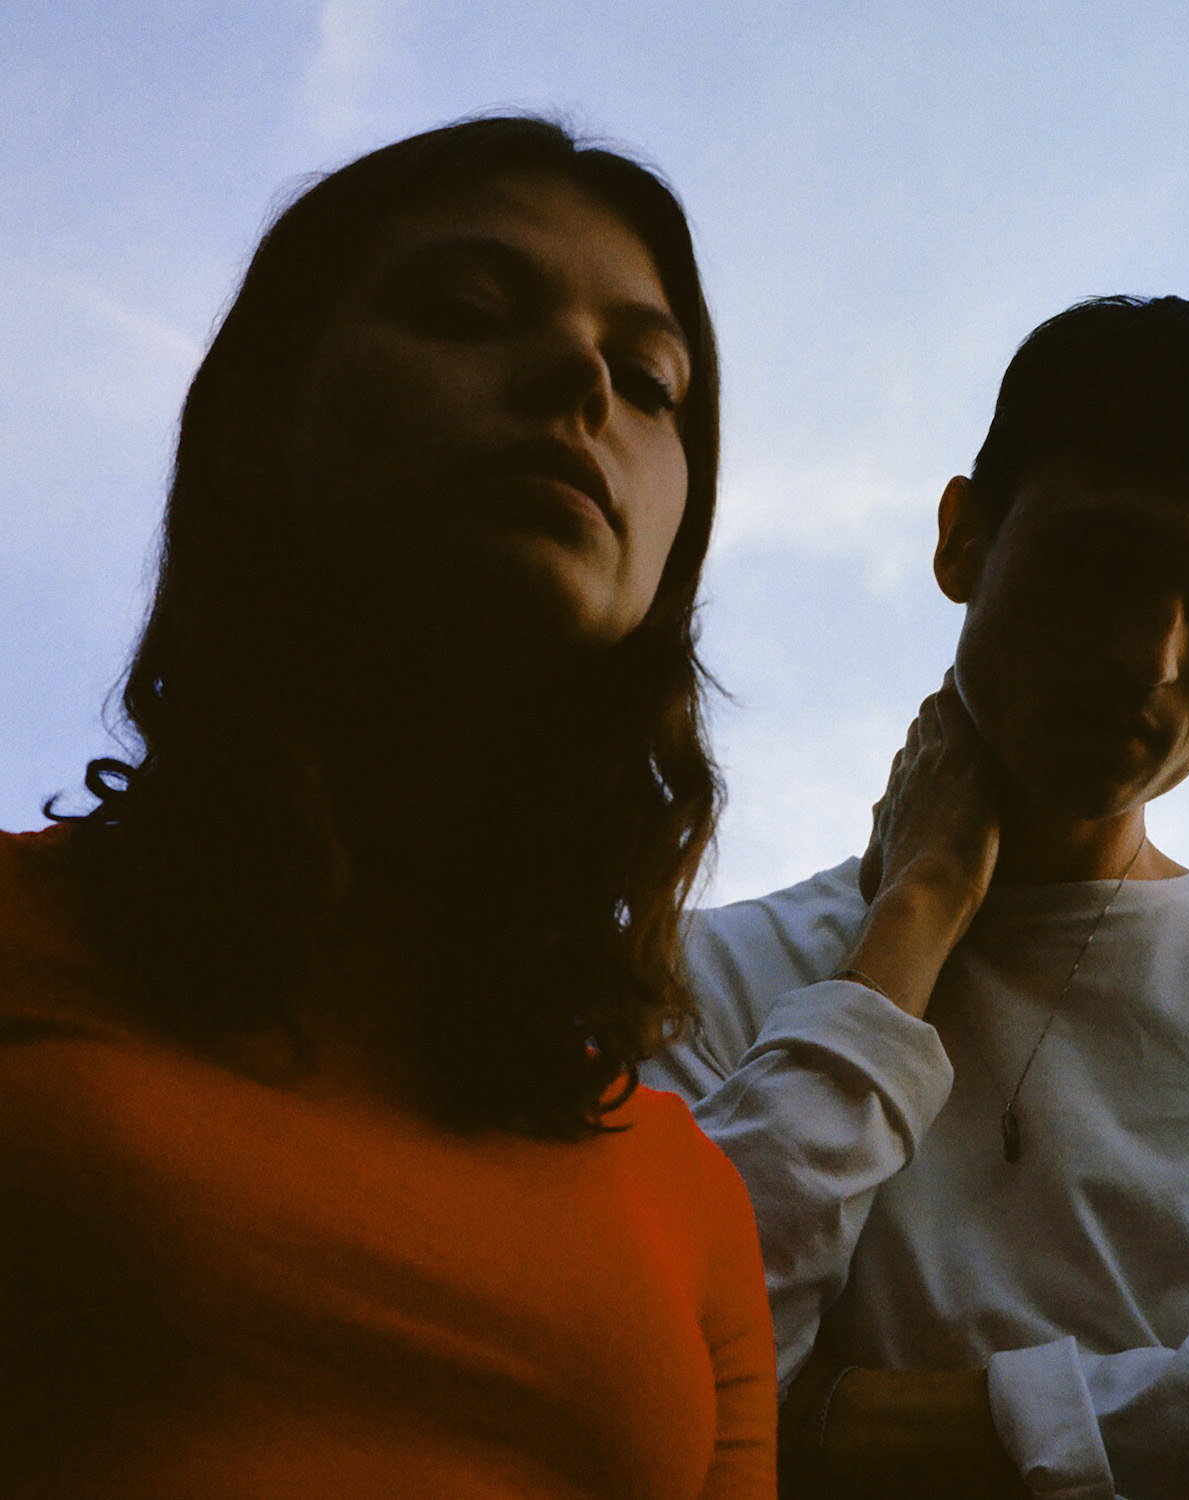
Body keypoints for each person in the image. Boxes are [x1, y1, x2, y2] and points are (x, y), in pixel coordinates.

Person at [0, 116, 777, 1498]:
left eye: (653, 382)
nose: (583, 379)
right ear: (256, 427)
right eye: (466, 310)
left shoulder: (685, 1196)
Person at [643, 296, 1189, 1498]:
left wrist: (918, 1427)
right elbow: (650, 1378)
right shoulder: (702, 980)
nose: (1154, 657)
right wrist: (910, 925)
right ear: (962, 541)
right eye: (1105, 564)